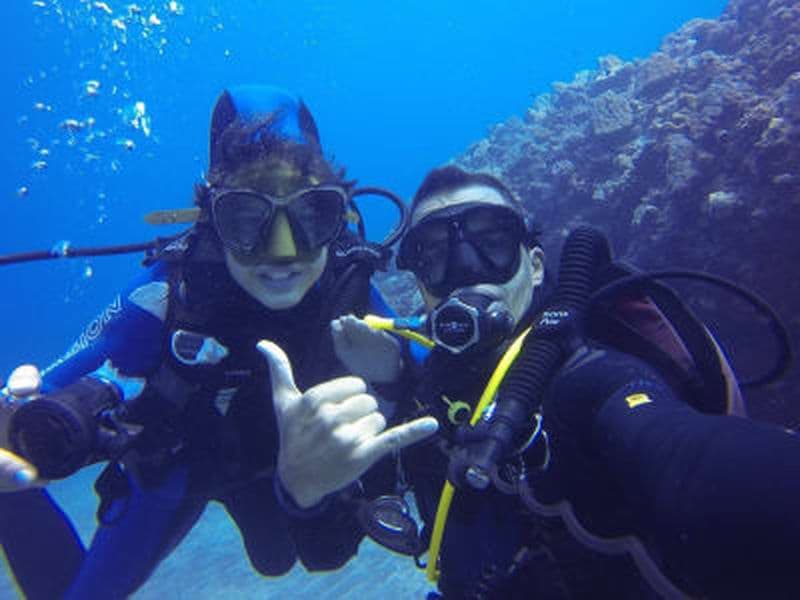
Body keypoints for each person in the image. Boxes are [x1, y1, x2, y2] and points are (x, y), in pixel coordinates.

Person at [0, 84, 436, 599]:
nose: (282, 253)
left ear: (337, 219)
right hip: (182, 468)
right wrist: (14, 432)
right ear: (211, 220)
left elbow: (429, 369)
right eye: (246, 218)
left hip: (287, 471)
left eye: (311, 215)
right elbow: (44, 388)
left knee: (276, 559)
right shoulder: (165, 295)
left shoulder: (350, 286)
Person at [349, 165, 800, 598]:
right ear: (421, 286)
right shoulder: (420, 382)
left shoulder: (589, 375)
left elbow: (683, 451)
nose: (467, 269)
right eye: (434, 254)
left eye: (492, 242)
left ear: (538, 266)